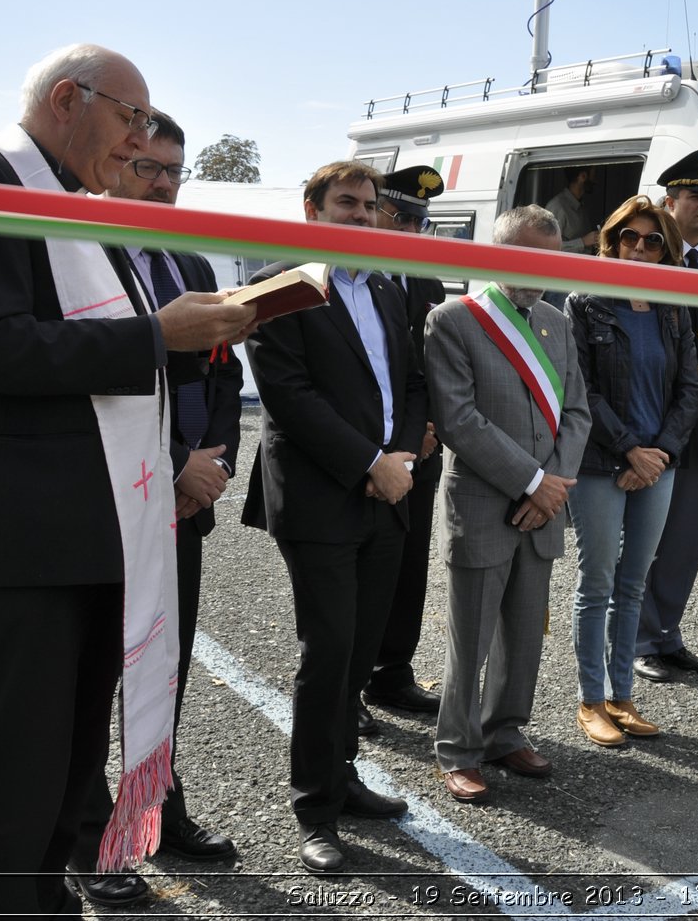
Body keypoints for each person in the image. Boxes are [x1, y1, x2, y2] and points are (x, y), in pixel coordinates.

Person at [0, 43, 257, 918]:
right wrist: (157, 337)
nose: (138, 140)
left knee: (66, 780)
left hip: (99, 533)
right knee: (9, 786)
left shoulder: (77, 205)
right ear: (69, 98)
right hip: (25, 544)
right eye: (131, 119)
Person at [69, 112, 243, 909]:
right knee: (93, 682)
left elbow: (224, 374)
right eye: (149, 168)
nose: (166, 184)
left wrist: (214, 465)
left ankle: (158, 816)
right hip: (108, 507)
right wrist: (176, 464)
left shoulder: (184, 259)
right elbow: (89, 383)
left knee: (160, 677)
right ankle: (89, 845)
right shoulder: (78, 257)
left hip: (183, 508)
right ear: (112, 163)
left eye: (177, 170)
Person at [241, 161, 426, 873]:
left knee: (359, 649)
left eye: (369, 204)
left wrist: (404, 453)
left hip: (389, 488)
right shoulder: (282, 284)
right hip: (323, 497)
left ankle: (344, 775)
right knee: (328, 651)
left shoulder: (383, 284)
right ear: (312, 210)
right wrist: (369, 463)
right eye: (345, 202)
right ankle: (314, 806)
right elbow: (287, 394)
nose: (359, 214)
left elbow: (411, 379)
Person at [427, 205, 592, 802]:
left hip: (543, 505)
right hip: (483, 503)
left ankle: (505, 732)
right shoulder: (454, 320)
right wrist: (532, 482)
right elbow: (458, 419)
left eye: (551, 258)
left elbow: (577, 411)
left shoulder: (556, 320)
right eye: (527, 257)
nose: (540, 271)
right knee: (469, 638)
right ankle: (458, 749)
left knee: (523, 635)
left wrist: (553, 484)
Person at [565, 195, 698, 745]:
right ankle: (590, 700)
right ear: (611, 240)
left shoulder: (673, 308)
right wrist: (629, 451)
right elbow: (581, 388)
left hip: (657, 465)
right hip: (602, 463)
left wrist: (658, 453)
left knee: (633, 583)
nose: (639, 248)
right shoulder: (585, 302)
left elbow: (690, 390)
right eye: (629, 237)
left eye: (652, 241)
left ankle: (623, 696)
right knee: (596, 583)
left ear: (667, 251)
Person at [635, 149, 698, 683]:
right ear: (669, 202)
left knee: (685, 540)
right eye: (695, 196)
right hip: (653, 418)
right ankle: (636, 638)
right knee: (645, 537)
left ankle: (666, 634)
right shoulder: (652, 259)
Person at [361, 165, 449, 725]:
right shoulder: (334, 277)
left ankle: (392, 674)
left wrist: (430, 429)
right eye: (405, 217)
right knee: (355, 577)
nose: (414, 230)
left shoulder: (425, 283)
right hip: (362, 454)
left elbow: (435, 369)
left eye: (422, 221)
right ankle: (346, 688)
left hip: (419, 450)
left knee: (408, 568)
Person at [546, 165, 599, 253]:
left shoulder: (581, 206)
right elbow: (549, 247)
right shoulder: (557, 206)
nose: (596, 181)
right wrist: (583, 241)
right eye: (594, 175)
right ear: (583, 176)